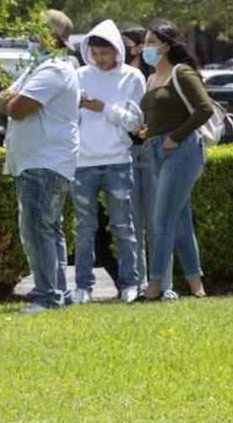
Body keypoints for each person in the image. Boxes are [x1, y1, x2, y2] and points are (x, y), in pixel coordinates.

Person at [0, 10, 80, 313]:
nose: (29, 37)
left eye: (36, 31)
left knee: (35, 227)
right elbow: (3, 99)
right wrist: (8, 98)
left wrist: (9, 99)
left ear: (53, 38)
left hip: (44, 162)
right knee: (48, 226)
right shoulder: (38, 67)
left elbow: (15, 108)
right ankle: (58, 291)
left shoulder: (53, 70)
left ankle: (47, 295)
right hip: (38, 161)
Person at [69, 20, 146, 305]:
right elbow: (67, 118)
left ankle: (131, 283)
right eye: (96, 53)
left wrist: (104, 108)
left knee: (124, 226)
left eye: (106, 53)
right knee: (84, 228)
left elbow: (136, 122)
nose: (101, 59)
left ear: (117, 51)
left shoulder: (132, 77)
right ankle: (83, 286)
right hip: (82, 162)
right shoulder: (78, 75)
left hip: (117, 161)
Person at [138, 19, 210, 301]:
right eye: (144, 43)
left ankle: (154, 286)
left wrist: (175, 137)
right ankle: (197, 287)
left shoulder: (181, 73)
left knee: (162, 220)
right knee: (180, 222)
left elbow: (203, 109)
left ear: (167, 46)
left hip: (181, 151)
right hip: (156, 150)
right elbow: (157, 115)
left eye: (151, 42)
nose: (146, 48)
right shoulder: (150, 78)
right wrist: (148, 133)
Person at [121, 24, 161, 291]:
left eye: (127, 44)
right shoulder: (125, 75)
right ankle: (139, 282)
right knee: (133, 222)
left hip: (151, 150)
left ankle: (159, 280)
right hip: (129, 150)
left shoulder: (152, 75)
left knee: (156, 220)